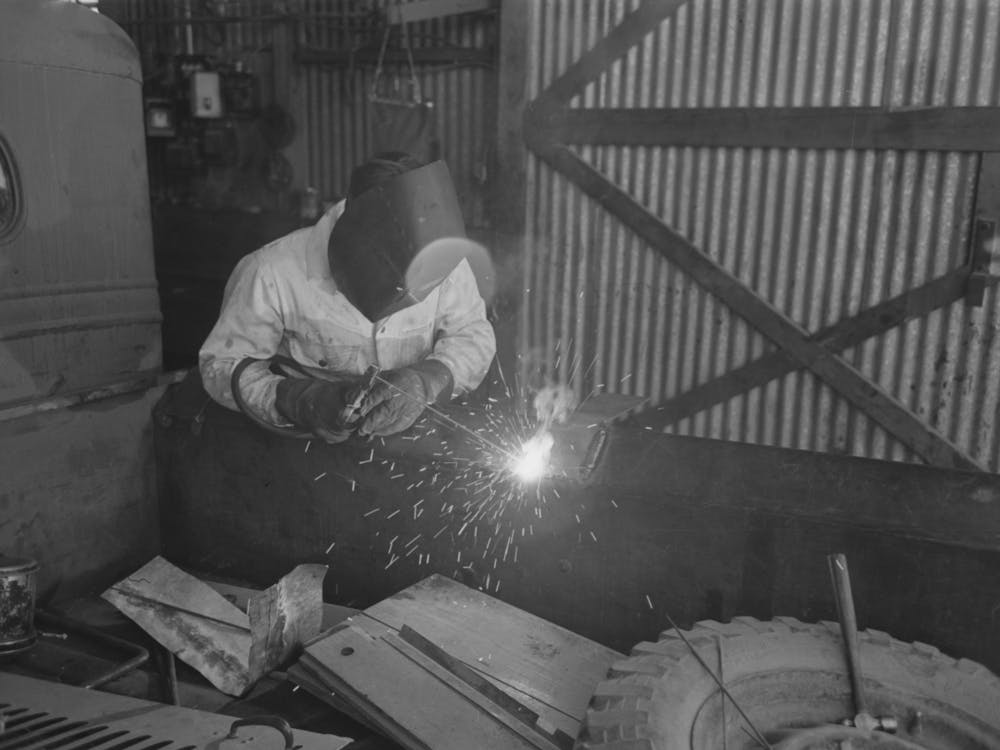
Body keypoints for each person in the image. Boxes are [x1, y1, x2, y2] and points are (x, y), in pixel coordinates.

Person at [199, 152, 496, 441]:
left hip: (407, 446)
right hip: (301, 449)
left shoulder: (441, 258)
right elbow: (221, 366)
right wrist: (299, 399)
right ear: (355, 233)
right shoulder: (270, 272)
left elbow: (471, 336)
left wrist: (427, 381)